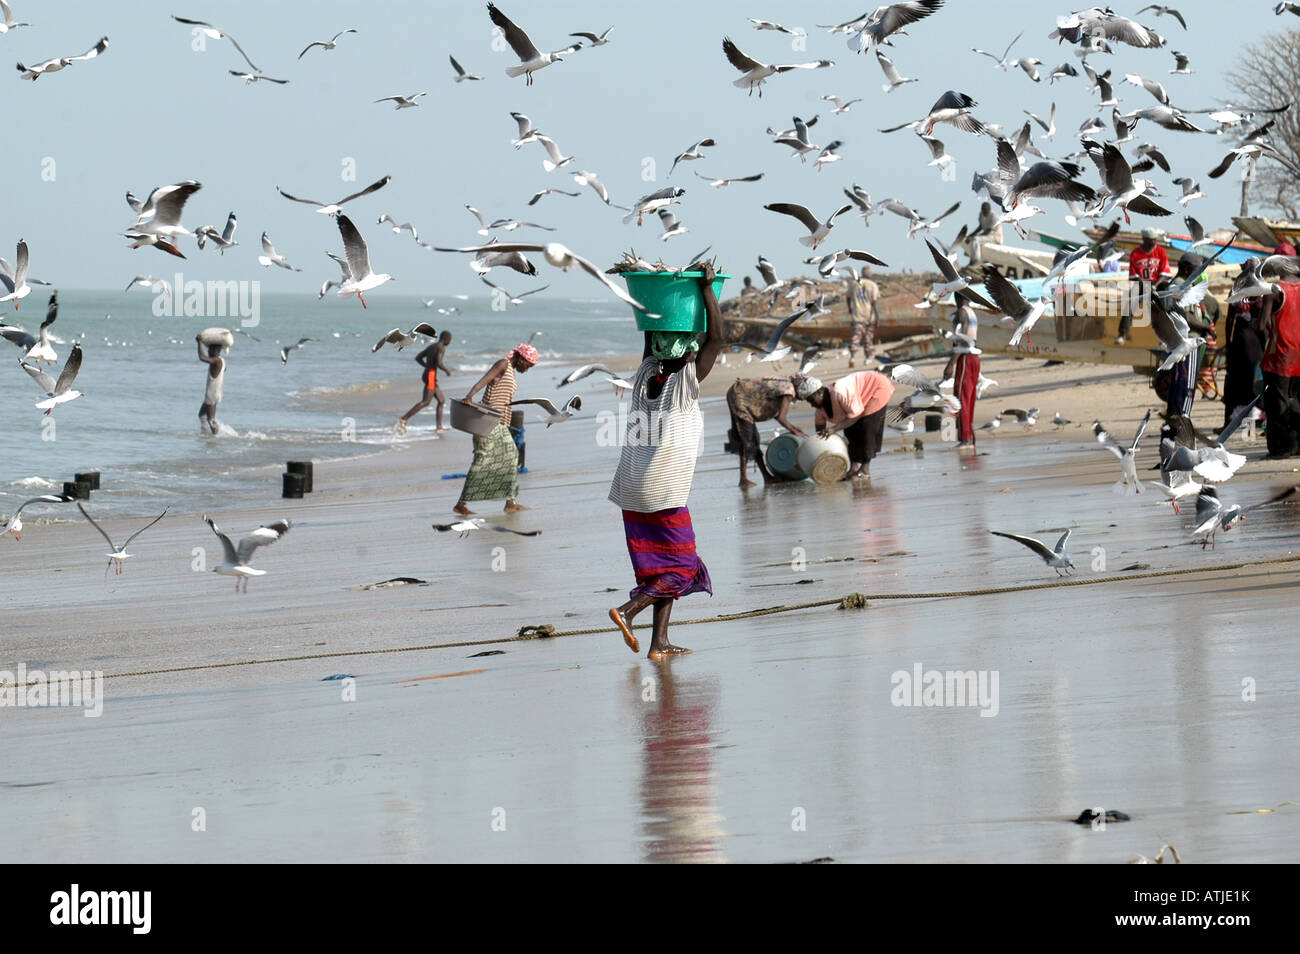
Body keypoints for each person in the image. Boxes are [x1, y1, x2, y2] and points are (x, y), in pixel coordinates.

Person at [607, 263, 722, 660]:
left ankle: (659, 644)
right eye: (688, 343)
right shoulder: (685, 382)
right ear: (685, 352)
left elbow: (650, 335)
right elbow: (718, 339)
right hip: (661, 489)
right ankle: (627, 611)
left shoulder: (644, 374)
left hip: (631, 489)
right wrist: (706, 290)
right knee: (683, 566)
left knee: (660, 569)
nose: (694, 346)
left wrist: (650, 296)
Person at [453, 343, 536, 515]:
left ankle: (510, 502)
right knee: (482, 458)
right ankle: (461, 503)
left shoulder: (511, 371)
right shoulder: (503, 364)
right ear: (521, 358)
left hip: (501, 423)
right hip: (487, 421)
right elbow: (484, 380)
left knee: (512, 456)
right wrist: (469, 396)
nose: (527, 369)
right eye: (528, 365)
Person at [802, 369, 895, 480]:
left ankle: (865, 469)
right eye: (809, 402)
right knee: (849, 433)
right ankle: (853, 468)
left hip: (876, 387)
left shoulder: (840, 392)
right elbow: (819, 431)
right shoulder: (820, 410)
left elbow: (855, 415)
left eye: (812, 400)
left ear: (820, 392)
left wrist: (833, 429)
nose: (812, 405)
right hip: (858, 399)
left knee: (867, 427)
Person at [1158, 253, 1218, 420]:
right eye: (1196, 269)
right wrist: (1207, 327)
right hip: (1188, 342)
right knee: (1187, 384)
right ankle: (1182, 420)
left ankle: (1174, 416)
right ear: (1185, 269)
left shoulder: (1180, 285)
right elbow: (1186, 317)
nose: (1199, 272)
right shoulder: (1181, 287)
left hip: (1180, 342)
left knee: (1179, 381)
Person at [725, 374, 810, 487]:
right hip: (740, 397)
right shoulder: (788, 391)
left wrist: (793, 428)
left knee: (752, 439)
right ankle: (745, 479)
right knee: (749, 440)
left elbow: (776, 412)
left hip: (742, 395)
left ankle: (764, 477)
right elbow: (781, 418)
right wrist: (795, 431)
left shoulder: (786, 387)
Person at [1257, 271, 1300, 458]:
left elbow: (1261, 325)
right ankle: (1297, 445)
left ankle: (1281, 448)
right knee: (1297, 400)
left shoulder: (1274, 290)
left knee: (1277, 403)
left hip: (1279, 357)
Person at [1222, 279, 1264, 431]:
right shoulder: (1261, 290)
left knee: (1234, 382)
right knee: (1254, 383)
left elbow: (1229, 319)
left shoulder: (1236, 291)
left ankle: (1228, 422)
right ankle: (1256, 422)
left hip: (1239, 342)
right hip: (1256, 343)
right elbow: (1264, 319)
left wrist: (1228, 343)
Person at [1117, 228, 1170, 345]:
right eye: (1152, 239)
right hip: (1141, 283)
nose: (1155, 241)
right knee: (1130, 301)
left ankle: (1166, 337)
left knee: (1165, 302)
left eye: (1155, 239)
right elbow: (1133, 275)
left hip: (1157, 283)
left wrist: (1155, 286)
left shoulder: (1161, 251)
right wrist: (1146, 285)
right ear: (1145, 240)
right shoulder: (1136, 253)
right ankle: (1122, 334)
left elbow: (1165, 274)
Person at [395, 330, 452, 435]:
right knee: (426, 401)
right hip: (430, 376)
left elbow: (418, 358)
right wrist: (446, 370)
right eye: (450, 340)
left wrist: (427, 366)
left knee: (441, 400)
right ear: (446, 339)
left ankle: (439, 428)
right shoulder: (441, 348)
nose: (450, 342)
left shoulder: (432, 346)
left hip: (429, 374)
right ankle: (404, 418)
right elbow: (439, 363)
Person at [944, 301, 980, 449]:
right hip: (974, 359)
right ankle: (969, 436)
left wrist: (951, 363)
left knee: (961, 399)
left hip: (965, 358)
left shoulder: (962, 312)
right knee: (969, 398)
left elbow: (963, 340)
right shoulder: (972, 312)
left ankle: (965, 439)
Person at [845, 266, 880, 367]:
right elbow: (874, 303)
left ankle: (852, 357)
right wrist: (878, 317)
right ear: (869, 273)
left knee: (856, 336)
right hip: (869, 316)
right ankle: (868, 358)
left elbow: (847, 297)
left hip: (857, 315)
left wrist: (849, 308)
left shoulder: (854, 284)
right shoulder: (873, 285)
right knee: (868, 338)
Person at [196, 337, 225, 435]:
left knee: (211, 420)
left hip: (211, 394)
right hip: (217, 393)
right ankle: (206, 434)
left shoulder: (216, 361)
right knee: (201, 415)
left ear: (215, 351)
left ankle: (215, 438)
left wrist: (199, 342)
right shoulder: (222, 360)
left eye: (210, 349)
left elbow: (202, 357)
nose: (208, 351)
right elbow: (225, 369)